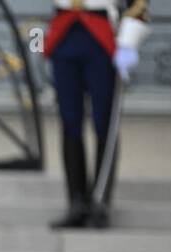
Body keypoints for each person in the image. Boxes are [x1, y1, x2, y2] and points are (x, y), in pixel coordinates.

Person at [45, 1, 150, 229]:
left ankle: (100, 201)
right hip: (64, 31)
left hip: (101, 35)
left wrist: (129, 42)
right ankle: (76, 202)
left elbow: (139, 3)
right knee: (69, 121)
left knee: (104, 123)